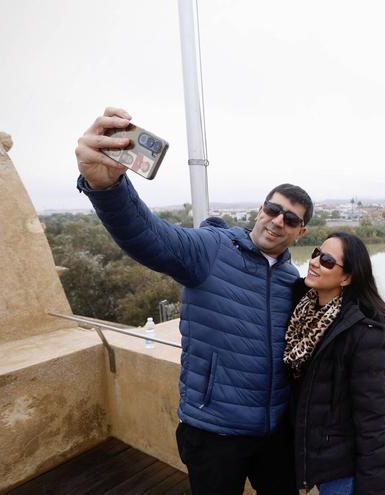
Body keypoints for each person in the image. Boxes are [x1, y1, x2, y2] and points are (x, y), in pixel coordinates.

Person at [74, 107, 309, 495]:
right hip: (214, 433)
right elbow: (149, 237)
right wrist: (108, 188)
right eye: (273, 209)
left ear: (300, 233)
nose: (277, 221)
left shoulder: (292, 281)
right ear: (260, 210)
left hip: (273, 434)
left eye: (291, 219)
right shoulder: (212, 249)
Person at [285, 233, 385, 494]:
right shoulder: (303, 311)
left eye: (326, 261)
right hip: (309, 455)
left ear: (347, 278)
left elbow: (373, 421)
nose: (314, 262)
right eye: (316, 253)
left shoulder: (364, 333)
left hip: (341, 470)